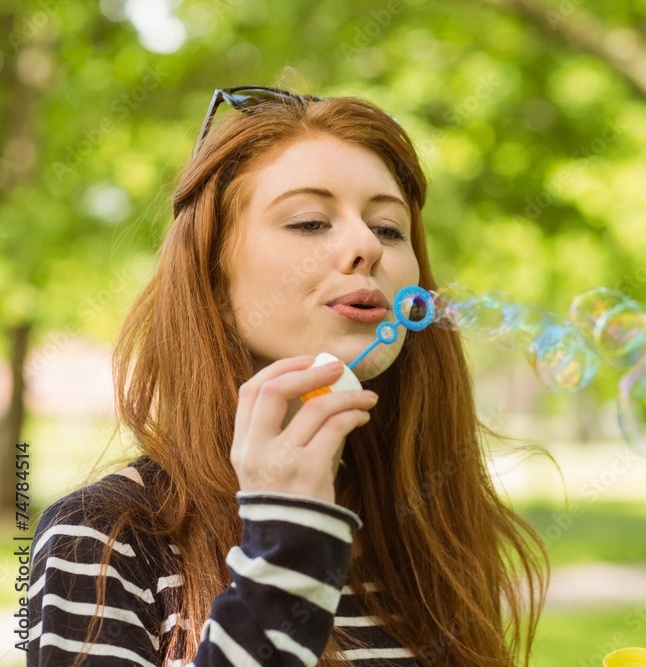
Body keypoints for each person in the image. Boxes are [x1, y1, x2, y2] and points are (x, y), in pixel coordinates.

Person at [27, 86, 549, 666]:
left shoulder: (426, 527)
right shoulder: (104, 540)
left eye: (388, 228)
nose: (364, 246)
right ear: (213, 282)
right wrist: (288, 544)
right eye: (308, 222)